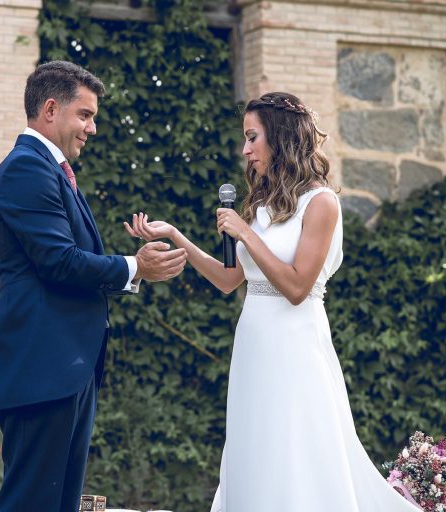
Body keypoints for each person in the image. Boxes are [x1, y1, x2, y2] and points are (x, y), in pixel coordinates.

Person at [125, 92, 421, 511]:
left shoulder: (321, 203)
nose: (245, 150)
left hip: (296, 346)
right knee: (254, 445)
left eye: (252, 137)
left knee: (296, 450)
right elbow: (230, 280)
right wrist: (175, 235)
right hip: (254, 345)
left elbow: (298, 287)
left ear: (280, 138)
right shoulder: (263, 205)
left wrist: (246, 233)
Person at [0, 60, 187, 512]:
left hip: (64, 367)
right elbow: (57, 261)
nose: (92, 128)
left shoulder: (51, 170)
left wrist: (134, 266)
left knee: (60, 502)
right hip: (42, 366)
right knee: (34, 503)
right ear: (51, 109)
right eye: (86, 115)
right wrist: (135, 267)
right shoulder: (26, 169)